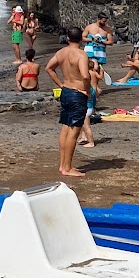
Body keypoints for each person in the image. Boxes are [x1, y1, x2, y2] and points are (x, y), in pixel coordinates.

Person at [45, 29, 93, 177]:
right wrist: (87, 91)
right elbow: (85, 75)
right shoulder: (81, 55)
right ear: (81, 39)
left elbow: (49, 68)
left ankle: (62, 165)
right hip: (77, 93)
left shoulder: (61, 53)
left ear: (67, 38)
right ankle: (67, 168)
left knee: (65, 128)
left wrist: (61, 84)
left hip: (66, 91)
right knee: (74, 132)